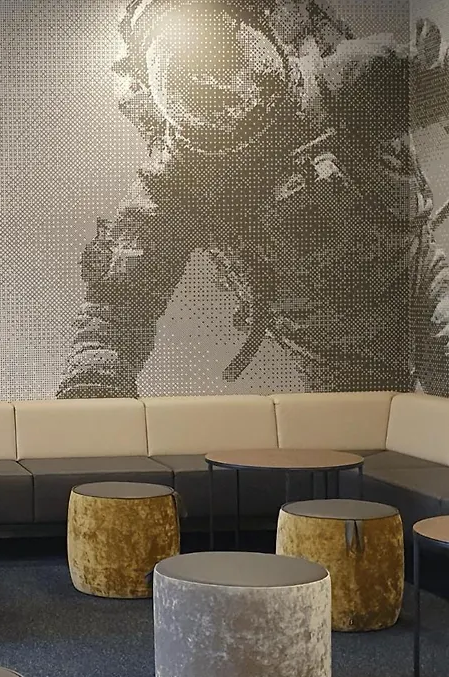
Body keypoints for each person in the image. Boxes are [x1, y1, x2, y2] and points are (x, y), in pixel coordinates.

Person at [57, 0, 449, 399]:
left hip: (417, 282)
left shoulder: (337, 86)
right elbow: (118, 308)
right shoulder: (178, 183)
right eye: (182, 66)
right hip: (336, 350)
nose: (212, 84)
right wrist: (93, 391)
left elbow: (436, 82)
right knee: (361, 435)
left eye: (219, 54)